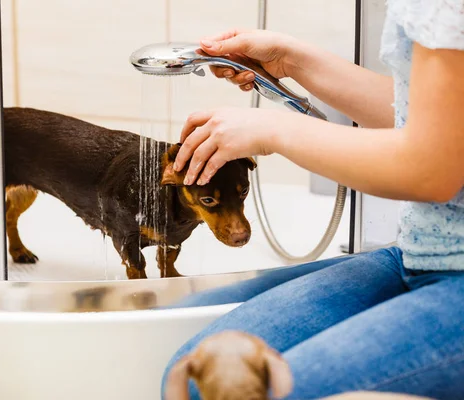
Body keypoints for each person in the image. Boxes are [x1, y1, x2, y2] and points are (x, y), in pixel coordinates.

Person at [162, 1, 464, 399]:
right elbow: (425, 114)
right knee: (196, 381)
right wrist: (290, 60)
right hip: (422, 252)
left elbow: (432, 171)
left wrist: (275, 130)